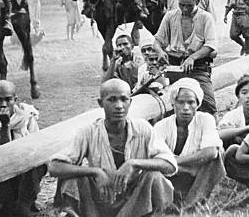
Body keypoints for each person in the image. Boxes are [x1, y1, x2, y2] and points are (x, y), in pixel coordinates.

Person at [49, 79, 177, 217]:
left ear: (130, 102)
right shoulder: (88, 132)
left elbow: (170, 165)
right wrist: (95, 172)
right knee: (76, 180)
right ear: (100, 103)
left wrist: (133, 163)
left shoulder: (143, 128)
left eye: (124, 99)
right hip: (102, 200)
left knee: (155, 177)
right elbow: (54, 167)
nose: (119, 106)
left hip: (136, 200)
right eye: (112, 100)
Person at [0, 81, 45, 216]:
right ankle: (14, 205)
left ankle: (25, 204)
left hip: (28, 171)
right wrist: (5, 125)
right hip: (1, 175)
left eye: (8, 99)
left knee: (36, 164)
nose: (3, 104)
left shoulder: (27, 118)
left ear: (15, 100)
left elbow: (36, 152)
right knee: (2, 207)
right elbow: (3, 159)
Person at [153, 78, 225, 209]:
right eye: (180, 102)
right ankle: (170, 203)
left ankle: (192, 204)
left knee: (217, 156)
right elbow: (158, 158)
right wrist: (185, 166)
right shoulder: (161, 126)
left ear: (197, 104)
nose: (186, 108)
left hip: (197, 177)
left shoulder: (205, 119)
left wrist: (176, 160)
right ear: (173, 104)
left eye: (191, 102)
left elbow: (211, 152)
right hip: (172, 176)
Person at [153, 0, 218, 114]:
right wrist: (160, 52)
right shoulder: (170, 16)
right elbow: (157, 41)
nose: (184, 8)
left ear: (197, 2)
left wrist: (192, 57)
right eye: (181, 5)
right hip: (174, 68)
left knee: (209, 106)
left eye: (188, 5)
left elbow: (210, 45)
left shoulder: (205, 17)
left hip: (197, 69)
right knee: (170, 106)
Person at [218, 76, 249, 148]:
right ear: (238, 97)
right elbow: (219, 134)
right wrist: (247, 129)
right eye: (244, 93)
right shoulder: (233, 114)